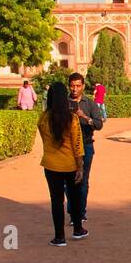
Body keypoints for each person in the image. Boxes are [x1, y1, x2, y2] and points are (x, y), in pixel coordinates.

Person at [37, 82, 86, 246]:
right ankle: (78, 229)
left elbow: (44, 140)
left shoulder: (43, 118)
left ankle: (59, 237)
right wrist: (80, 166)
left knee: (56, 201)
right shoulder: (72, 118)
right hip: (70, 164)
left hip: (51, 165)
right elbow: (77, 145)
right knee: (75, 196)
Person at [66, 71, 104, 220]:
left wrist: (85, 117)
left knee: (83, 181)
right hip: (68, 147)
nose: (75, 89)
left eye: (78, 86)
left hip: (86, 145)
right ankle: (73, 212)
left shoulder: (90, 104)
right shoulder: (64, 103)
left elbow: (99, 124)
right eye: (72, 86)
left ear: (83, 86)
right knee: (68, 181)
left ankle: (80, 212)